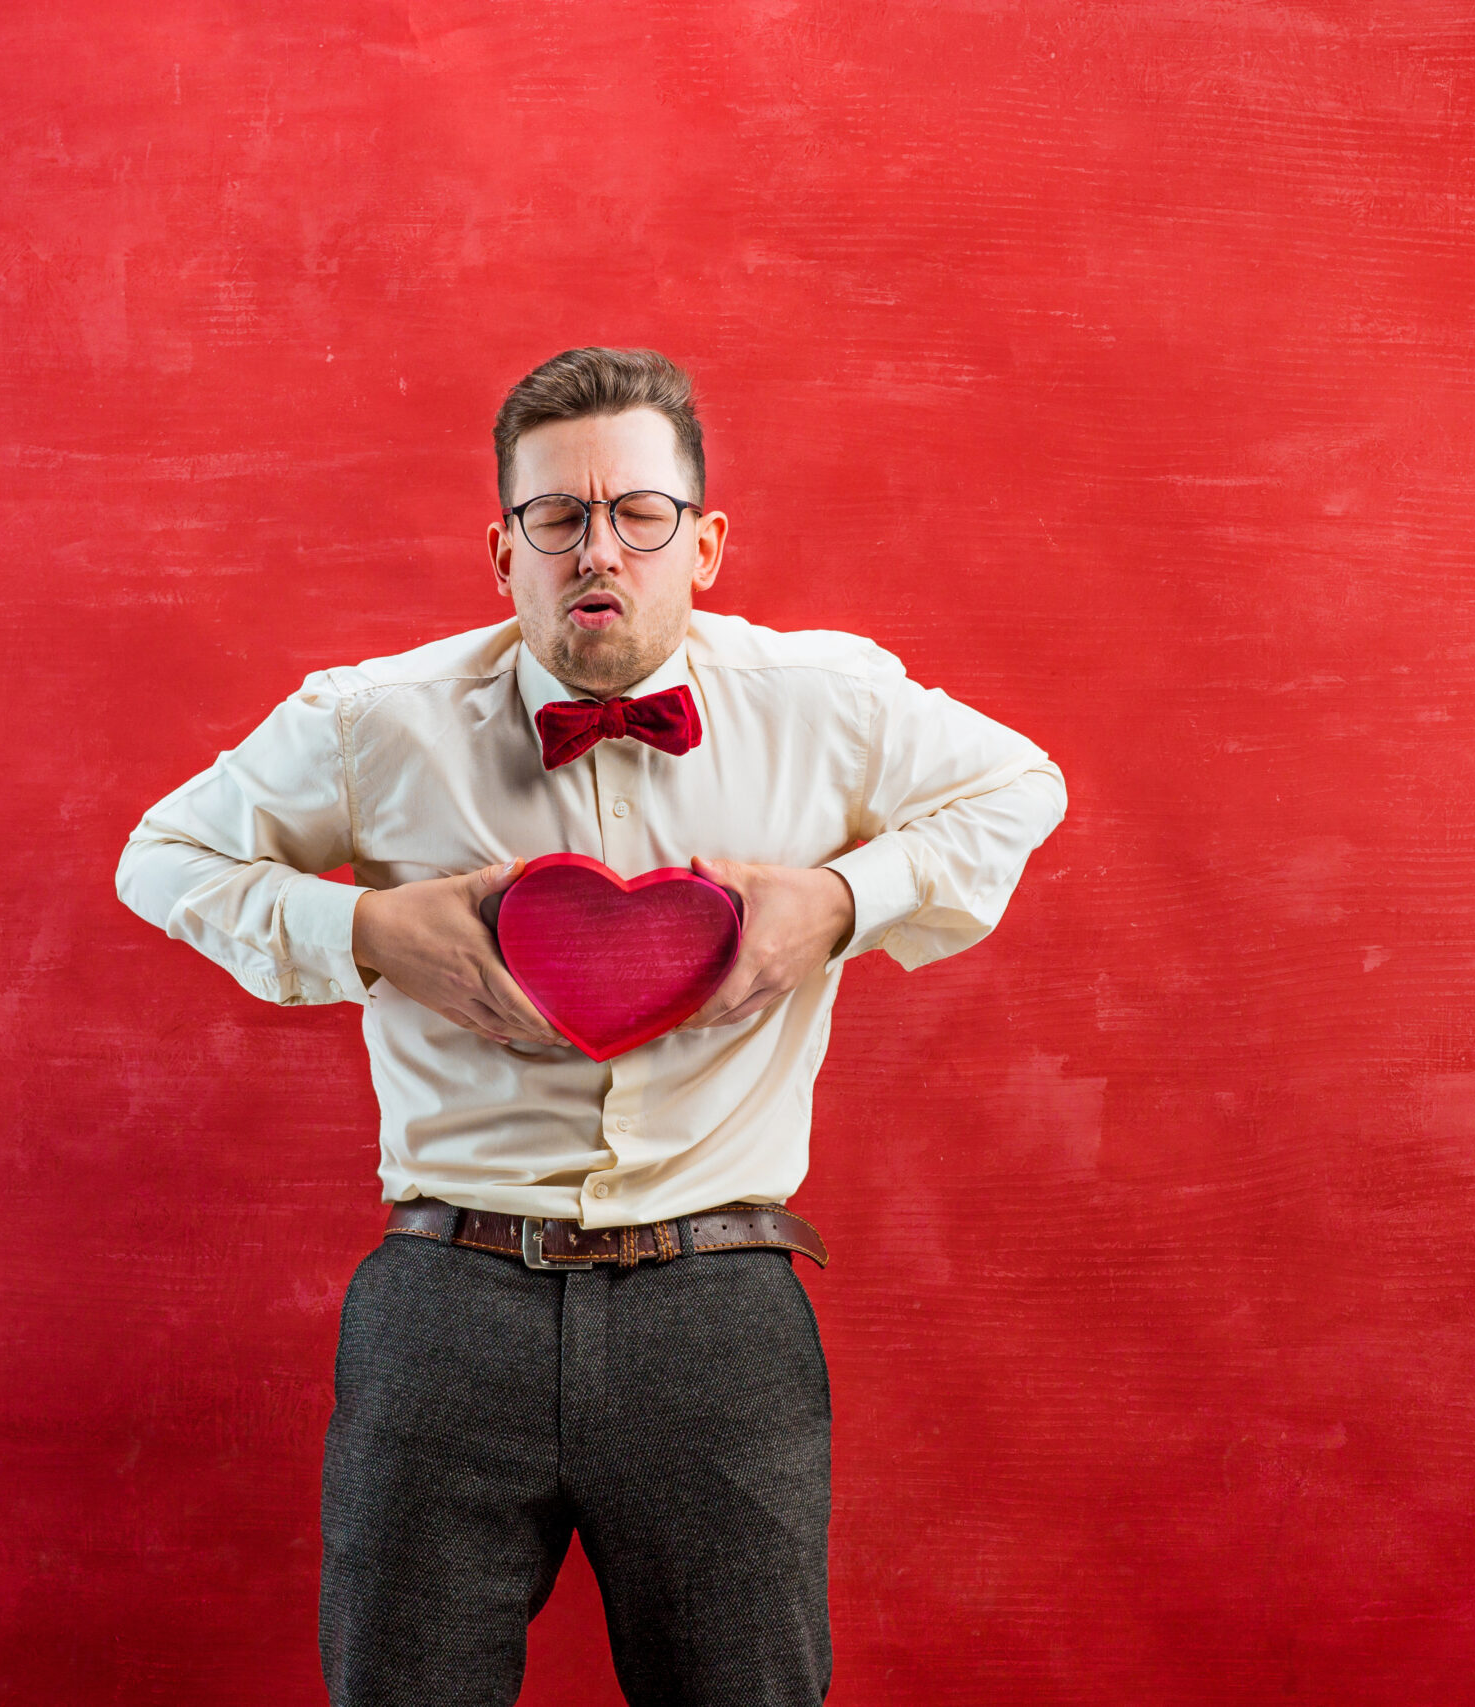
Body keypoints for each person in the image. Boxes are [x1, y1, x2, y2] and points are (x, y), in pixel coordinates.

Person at [114, 346, 1067, 1705]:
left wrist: (841, 902)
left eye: (638, 514)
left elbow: (1021, 785)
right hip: (446, 1304)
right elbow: (162, 855)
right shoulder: (375, 724)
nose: (594, 548)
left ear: (706, 543)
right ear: (501, 551)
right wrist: (365, 934)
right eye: (556, 518)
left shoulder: (825, 702)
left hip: (720, 1311)